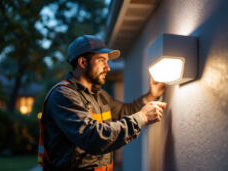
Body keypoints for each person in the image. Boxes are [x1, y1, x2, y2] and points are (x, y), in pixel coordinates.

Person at [38, 35, 167, 171]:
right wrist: (142, 117)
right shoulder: (63, 96)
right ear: (83, 62)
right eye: (101, 60)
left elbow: (125, 111)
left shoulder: (99, 96)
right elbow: (93, 138)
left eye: (107, 61)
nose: (108, 68)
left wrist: (151, 96)